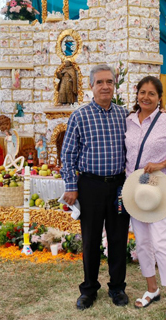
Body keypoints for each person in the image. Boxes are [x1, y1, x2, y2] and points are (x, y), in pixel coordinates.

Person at [61, 64, 130, 311]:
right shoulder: (79, 116)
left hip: (120, 187)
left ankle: (117, 287)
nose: (105, 86)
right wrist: (71, 186)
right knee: (90, 240)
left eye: (109, 82)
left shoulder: (125, 115)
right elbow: (68, 154)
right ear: (91, 86)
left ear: (114, 85)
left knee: (118, 238)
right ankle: (89, 289)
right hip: (89, 186)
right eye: (99, 82)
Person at [124, 76, 166, 319]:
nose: (146, 97)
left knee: (160, 242)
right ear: (137, 94)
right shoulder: (128, 121)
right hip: (136, 190)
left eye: (152, 93)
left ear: (159, 98)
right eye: (142, 92)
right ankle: (152, 289)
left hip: (159, 189)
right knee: (142, 243)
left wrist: (163, 163)